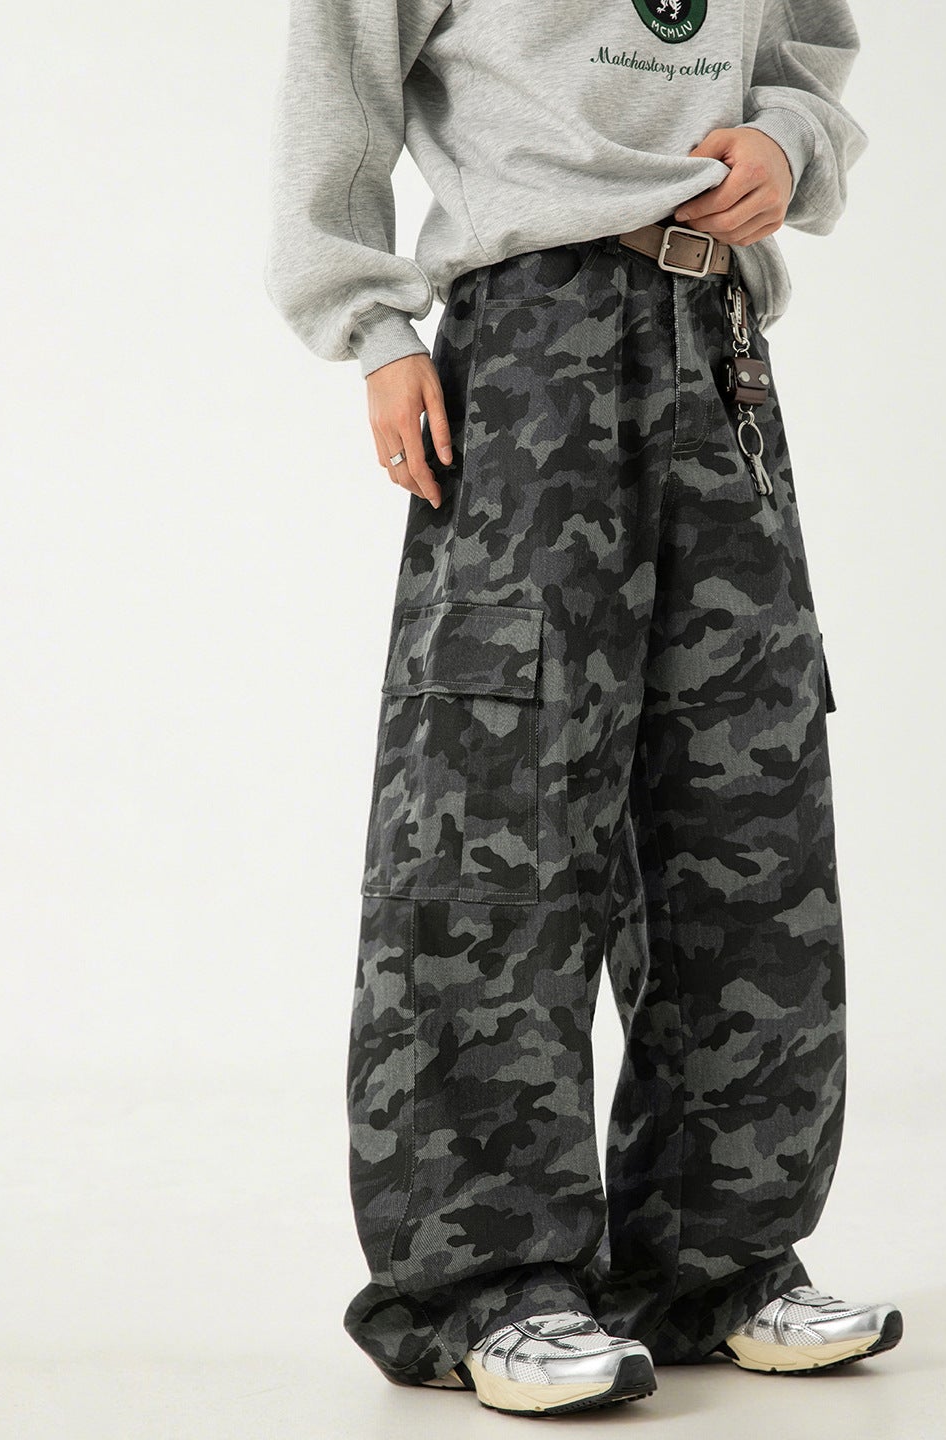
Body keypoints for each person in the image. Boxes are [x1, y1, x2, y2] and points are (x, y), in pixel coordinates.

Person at [263, 0, 900, 1418]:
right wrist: (376, 329)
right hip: (528, 344)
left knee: (745, 801)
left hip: (718, 340)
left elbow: (802, 55)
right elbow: (339, 84)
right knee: (498, 821)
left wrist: (789, 143)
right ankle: (481, 1284)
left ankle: (717, 1263)